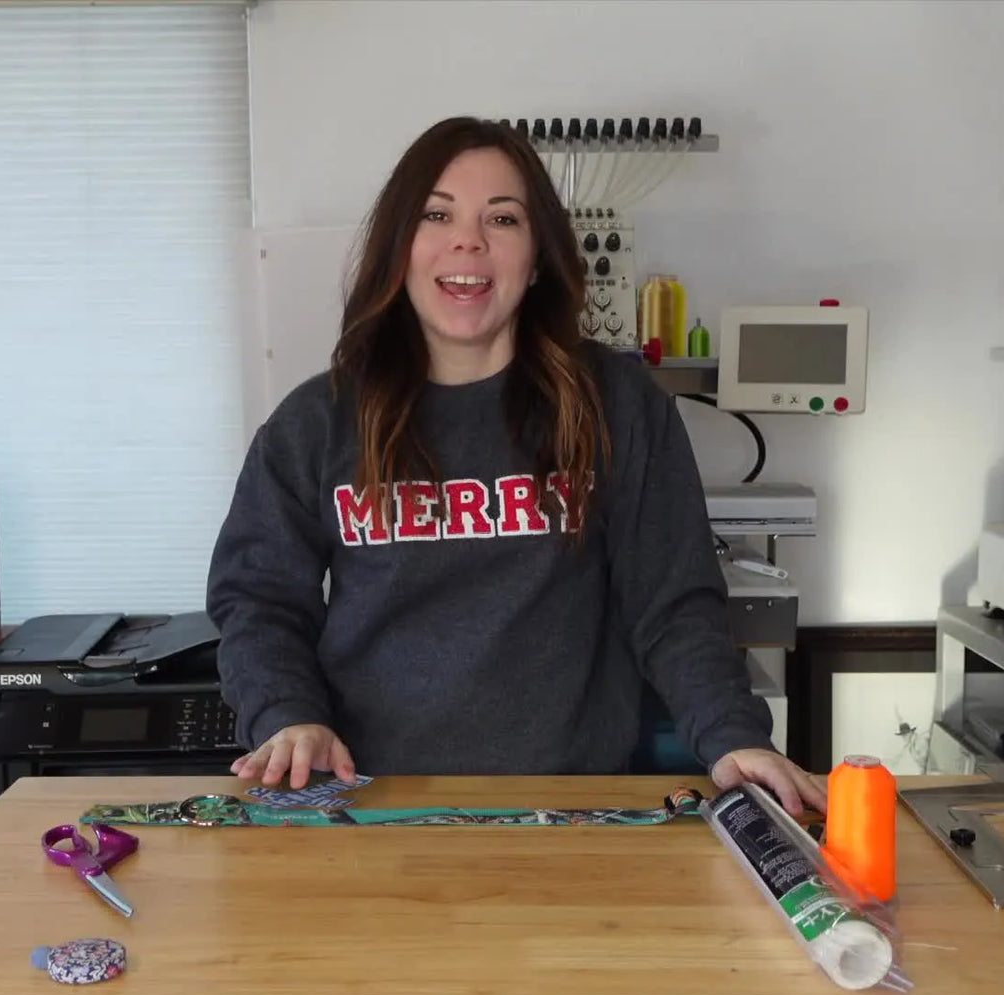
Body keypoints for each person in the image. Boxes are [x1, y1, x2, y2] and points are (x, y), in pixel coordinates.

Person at [205, 116, 826, 816]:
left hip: (569, 810)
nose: (468, 239)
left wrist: (733, 736)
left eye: (502, 218)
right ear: (400, 247)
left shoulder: (615, 405)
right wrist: (288, 712)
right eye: (436, 214)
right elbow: (258, 598)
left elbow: (673, 601)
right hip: (369, 805)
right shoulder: (316, 422)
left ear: (536, 260)